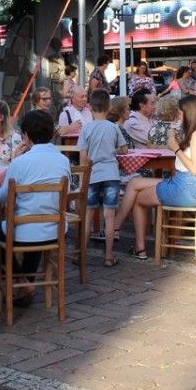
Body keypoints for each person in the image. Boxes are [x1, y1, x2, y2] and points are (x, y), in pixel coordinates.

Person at [111, 94, 196, 261]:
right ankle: (118, 229)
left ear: (189, 113)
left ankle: (137, 245)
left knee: (137, 197)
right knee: (135, 183)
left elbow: (194, 168)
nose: (179, 117)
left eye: (180, 113)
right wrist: (178, 143)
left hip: (185, 189)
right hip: (184, 184)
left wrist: (175, 148)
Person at [0, 110, 71, 307]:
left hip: (25, 230)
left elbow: (2, 196)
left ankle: (21, 281)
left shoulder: (21, 162)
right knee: (31, 225)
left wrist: (14, 161)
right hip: (55, 228)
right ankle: (25, 286)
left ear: (26, 135)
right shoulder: (63, 160)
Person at [79, 90, 129, 266]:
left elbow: (83, 158)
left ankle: (82, 255)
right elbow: (124, 149)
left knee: (88, 216)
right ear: (109, 107)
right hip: (111, 174)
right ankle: (108, 257)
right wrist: (113, 151)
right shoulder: (113, 127)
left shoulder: (86, 128)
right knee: (109, 217)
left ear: (90, 107)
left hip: (92, 175)